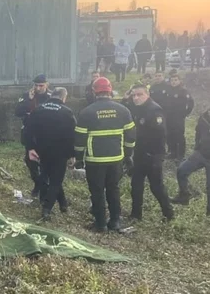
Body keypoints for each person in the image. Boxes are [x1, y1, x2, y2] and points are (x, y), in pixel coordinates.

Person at [74, 77, 136, 232]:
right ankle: (115, 221)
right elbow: (131, 136)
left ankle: (100, 223)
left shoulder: (86, 112)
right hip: (116, 159)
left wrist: (79, 159)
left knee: (97, 191)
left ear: (94, 92)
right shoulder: (123, 110)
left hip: (95, 160)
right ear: (110, 90)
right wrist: (128, 155)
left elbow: (79, 139)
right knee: (113, 189)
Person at [23, 87, 76, 221]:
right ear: (64, 97)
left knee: (49, 175)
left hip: (42, 150)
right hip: (60, 152)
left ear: (52, 95)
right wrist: (72, 154)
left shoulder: (38, 109)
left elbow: (28, 130)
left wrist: (30, 148)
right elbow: (72, 135)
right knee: (56, 181)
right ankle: (46, 208)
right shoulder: (67, 112)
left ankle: (63, 204)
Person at [126, 84, 174, 221]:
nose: (136, 98)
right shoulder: (136, 108)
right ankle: (136, 214)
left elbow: (160, 135)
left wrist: (156, 157)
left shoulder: (154, 110)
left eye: (139, 94)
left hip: (153, 155)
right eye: (134, 95)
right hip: (139, 154)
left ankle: (168, 214)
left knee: (156, 187)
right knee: (136, 186)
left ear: (147, 94)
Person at [15, 74, 52, 197]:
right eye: (36, 85)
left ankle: (43, 187)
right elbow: (18, 112)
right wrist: (29, 100)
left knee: (45, 162)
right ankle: (38, 183)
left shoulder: (51, 97)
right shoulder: (27, 96)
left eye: (41, 85)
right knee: (30, 161)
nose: (38, 88)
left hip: (46, 134)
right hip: (30, 134)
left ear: (47, 85)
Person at [163, 73, 194, 161]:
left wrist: (185, 113)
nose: (174, 82)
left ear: (180, 81)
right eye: (172, 80)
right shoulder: (168, 90)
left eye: (176, 80)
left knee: (179, 136)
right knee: (169, 135)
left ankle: (180, 155)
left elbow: (191, 103)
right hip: (168, 117)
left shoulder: (183, 91)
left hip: (178, 118)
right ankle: (172, 152)